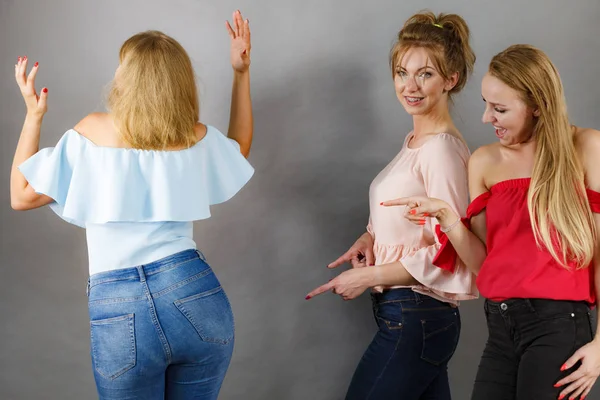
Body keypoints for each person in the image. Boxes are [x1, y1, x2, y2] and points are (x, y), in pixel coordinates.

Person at [10, 10, 253, 400]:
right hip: (195, 292)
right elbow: (239, 150)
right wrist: (241, 74)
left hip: (120, 306)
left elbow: (21, 195)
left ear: (128, 79)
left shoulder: (91, 131)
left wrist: (33, 116)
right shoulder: (193, 137)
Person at [383, 44, 600, 400]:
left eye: (499, 109)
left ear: (538, 106)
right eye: (486, 104)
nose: (486, 118)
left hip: (559, 326)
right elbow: (484, 265)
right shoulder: (484, 162)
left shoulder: (587, 147)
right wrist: (447, 216)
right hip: (500, 327)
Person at [306, 11, 478, 400]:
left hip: (417, 316)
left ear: (451, 79)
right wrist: (369, 237)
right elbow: (409, 221)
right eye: (402, 72)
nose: (409, 86)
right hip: (410, 317)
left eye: (425, 74)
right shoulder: (415, 143)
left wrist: (366, 277)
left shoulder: (442, 151)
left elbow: (450, 249)